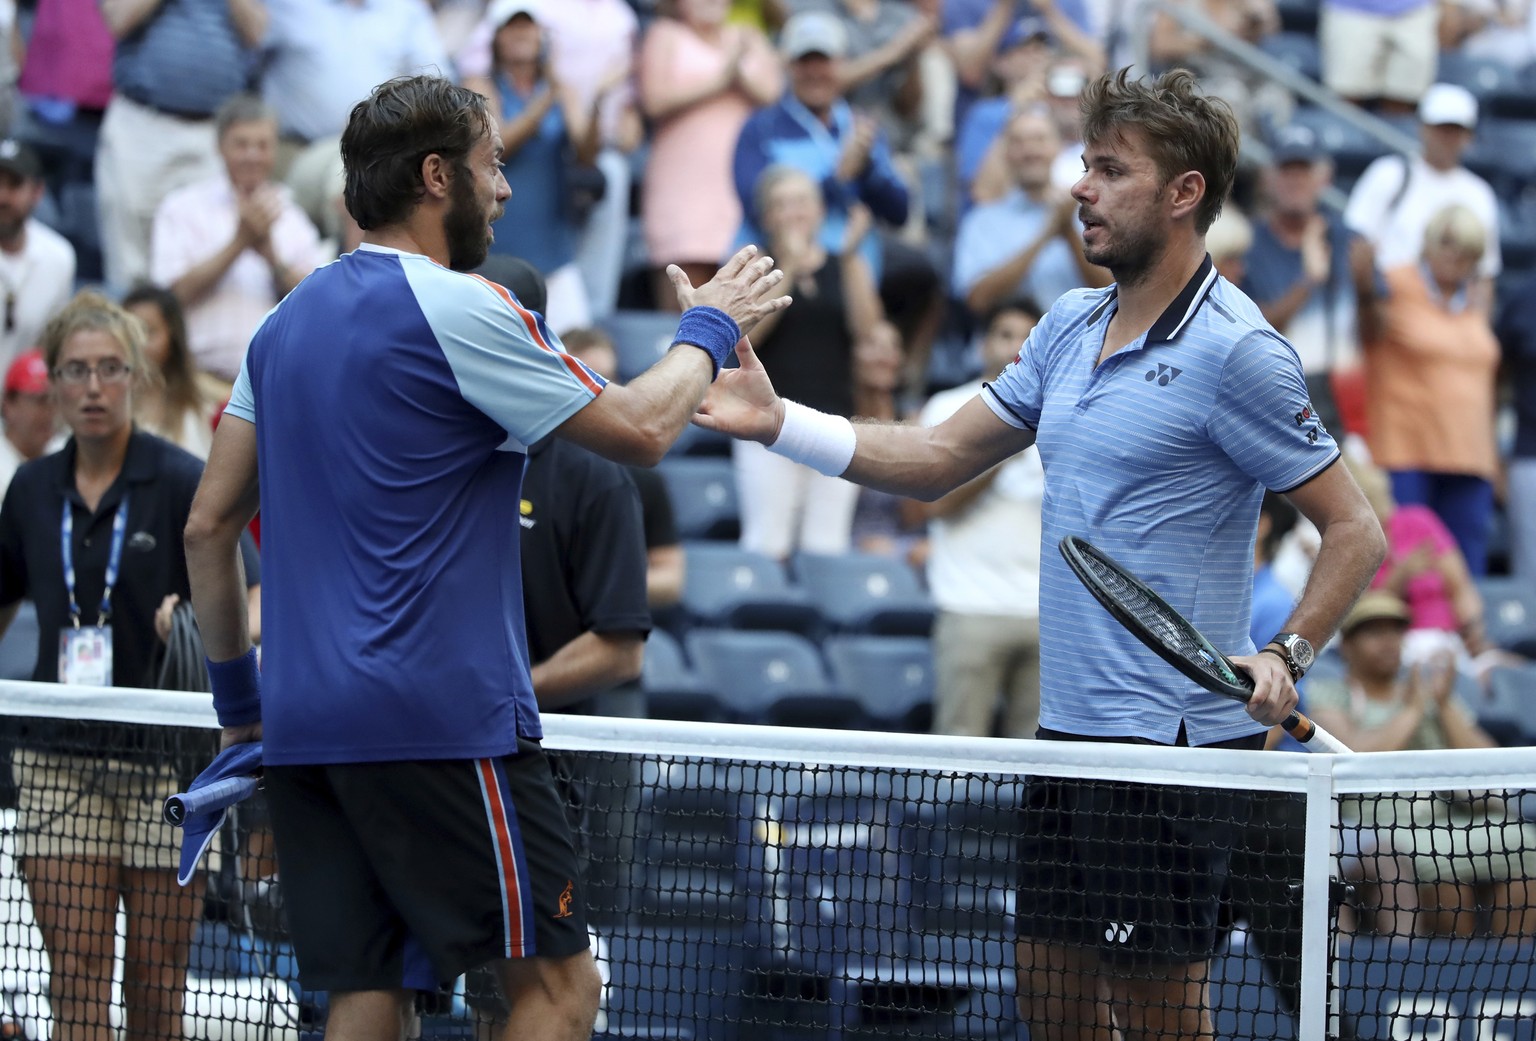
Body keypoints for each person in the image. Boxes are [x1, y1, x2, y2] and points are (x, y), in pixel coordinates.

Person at [695, 67, 1386, 1040]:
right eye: (1083, 164)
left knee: (1158, 1018)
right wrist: (779, 424)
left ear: (1184, 193)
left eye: (1110, 170)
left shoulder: (1241, 353)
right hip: (1068, 733)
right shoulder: (1068, 324)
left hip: (1172, 755)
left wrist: (1289, 653)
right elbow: (937, 457)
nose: (1080, 187)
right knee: (1051, 1003)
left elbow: (1357, 529)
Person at [182, 74, 786, 1041]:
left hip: (300, 725)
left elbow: (207, 531)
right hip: (436, 721)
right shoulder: (464, 307)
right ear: (436, 177)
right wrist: (708, 325)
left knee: (370, 995)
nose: (503, 189)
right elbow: (641, 427)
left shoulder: (277, 326)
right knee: (560, 989)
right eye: (491, 165)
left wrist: (239, 715)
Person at [0, 290, 259, 1041]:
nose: (91, 386)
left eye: (109, 368)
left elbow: (259, 595)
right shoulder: (29, 488)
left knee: (155, 987)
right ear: (51, 382)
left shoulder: (181, 478)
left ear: (137, 377)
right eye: (75, 370)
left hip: (165, 765)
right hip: (57, 761)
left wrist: (197, 621)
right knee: (74, 973)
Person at [1308, 591, 1536, 939]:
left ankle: (1509, 974)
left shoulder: (1430, 693)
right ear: (1348, 646)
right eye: (1374, 632)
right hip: (1379, 826)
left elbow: (1492, 762)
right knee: (1441, 871)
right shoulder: (1331, 694)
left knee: (1523, 843)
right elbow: (1352, 754)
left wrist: (1443, 707)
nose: (1388, 642)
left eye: (1395, 632)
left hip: (1449, 819)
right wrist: (1413, 711)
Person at [731, 165, 881, 560]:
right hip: (766, 423)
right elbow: (749, 336)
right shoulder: (752, 269)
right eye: (781, 205)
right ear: (766, 218)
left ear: (819, 211)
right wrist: (792, 266)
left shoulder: (847, 263)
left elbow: (868, 335)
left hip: (834, 422)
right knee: (767, 545)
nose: (793, 213)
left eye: (801, 202)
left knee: (827, 549)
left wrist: (850, 259)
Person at [918, 297, 1044, 740]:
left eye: (1029, 337)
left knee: (1043, 767)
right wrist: (1005, 448)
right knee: (956, 753)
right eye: (1006, 334)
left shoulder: (1066, 416)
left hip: (1045, 613)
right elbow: (933, 504)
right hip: (969, 605)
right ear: (983, 343)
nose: (1016, 346)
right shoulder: (946, 409)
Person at [149, 93, 328, 383]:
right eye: (242, 144)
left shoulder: (293, 217)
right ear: (220, 147)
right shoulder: (182, 208)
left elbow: (317, 307)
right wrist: (239, 243)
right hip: (196, 379)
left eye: (262, 145)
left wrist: (272, 257)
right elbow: (168, 298)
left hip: (271, 380)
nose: (253, 155)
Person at [1363, 204, 1500, 576]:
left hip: (1471, 456)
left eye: (1468, 251)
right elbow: (1366, 331)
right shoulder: (1394, 284)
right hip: (1407, 451)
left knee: (1467, 571)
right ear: (1429, 243)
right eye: (1448, 243)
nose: (1456, 256)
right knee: (1409, 568)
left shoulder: (1475, 300)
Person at [93, 0, 266, 290]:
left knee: (206, 247)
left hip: (211, 130)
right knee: (130, 259)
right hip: (143, 123)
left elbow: (258, 33)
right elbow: (117, 18)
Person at [464, 0, 602, 333]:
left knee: (576, 346)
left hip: (553, 244)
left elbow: (586, 154)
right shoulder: (479, 85)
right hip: (496, 243)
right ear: (496, 37)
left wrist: (598, 102)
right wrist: (548, 95)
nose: (521, 34)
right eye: (512, 26)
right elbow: (498, 143)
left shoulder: (560, 89)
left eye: (528, 26)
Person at [638, 0, 783, 311]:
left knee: (744, 296)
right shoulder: (664, 34)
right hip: (683, 183)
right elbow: (653, 100)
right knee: (686, 301)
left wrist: (737, 76)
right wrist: (721, 79)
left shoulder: (748, 34)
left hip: (740, 184)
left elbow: (772, 93)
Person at [1242, 123, 1381, 436]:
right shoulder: (1247, 247)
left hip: (1345, 414)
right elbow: (1246, 336)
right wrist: (1308, 281)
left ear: (1324, 179)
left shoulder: (1350, 241)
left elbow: (1376, 336)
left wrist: (1365, 289)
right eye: (1286, 170)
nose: (1295, 181)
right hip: (1271, 411)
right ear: (1267, 177)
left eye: (1304, 171)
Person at [1344, 84, 1500, 316]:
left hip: (1449, 317)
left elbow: (1484, 275)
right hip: (1388, 311)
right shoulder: (1388, 173)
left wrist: (1474, 332)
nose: (1447, 137)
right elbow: (1354, 245)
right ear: (1423, 128)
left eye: (1455, 129)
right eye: (1440, 127)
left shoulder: (1480, 193)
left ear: (1468, 136)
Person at [561, 327, 685, 610]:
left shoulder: (642, 479)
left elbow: (671, 579)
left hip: (612, 621)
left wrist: (593, 584)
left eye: (608, 379)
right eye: (583, 377)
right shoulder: (526, 468)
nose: (598, 391)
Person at [952, 106, 1103, 317]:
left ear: (1058, 146)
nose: (1030, 151)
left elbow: (1115, 289)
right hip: (1012, 346)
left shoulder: (1090, 210)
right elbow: (977, 300)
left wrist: (1068, 232)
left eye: (1039, 139)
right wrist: (1046, 235)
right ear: (1006, 153)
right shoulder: (982, 221)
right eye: (1018, 142)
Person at [121, 285, 226, 459]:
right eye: (129, 332)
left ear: (173, 337)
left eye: (148, 331)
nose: (138, 344)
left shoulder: (202, 395)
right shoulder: (110, 400)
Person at [0, 137, 75, 368]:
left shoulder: (59, 257)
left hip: (25, 398)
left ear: (37, 192)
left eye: (14, 185)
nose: (2, 197)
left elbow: (52, 347)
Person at [0, 349, 61, 491]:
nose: (49, 411)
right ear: (8, 405)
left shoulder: (66, 455)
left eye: (54, 400)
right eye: (40, 400)